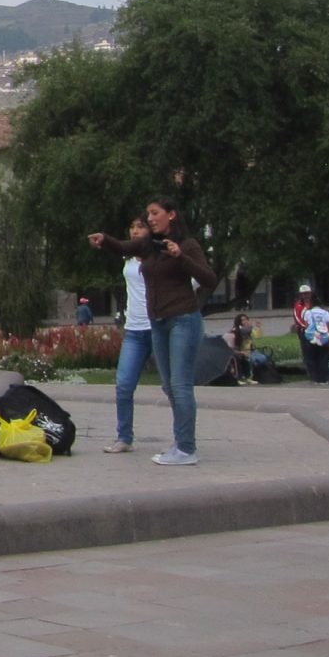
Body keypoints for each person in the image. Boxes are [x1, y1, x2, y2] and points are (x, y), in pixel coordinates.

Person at [91, 195, 216, 466]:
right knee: (169, 386)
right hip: (157, 322)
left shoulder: (187, 244)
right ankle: (179, 443)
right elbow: (123, 246)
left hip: (183, 320)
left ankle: (186, 448)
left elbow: (209, 278)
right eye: (148, 214)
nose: (150, 218)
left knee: (180, 385)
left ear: (171, 215)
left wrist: (181, 257)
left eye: (155, 213)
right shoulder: (149, 246)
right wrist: (105, 240)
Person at [98, 212, 153, 453]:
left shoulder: (159, 255)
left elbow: (191, 281)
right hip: (134, 328)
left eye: (140, 226)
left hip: (158, 326)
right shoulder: (128, 257)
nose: (135, 231)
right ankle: (124, 437)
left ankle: (182, 440)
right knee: (123, 385)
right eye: (132, 226)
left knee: (172, 386)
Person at [299, 286, 329, 383]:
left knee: (313, 357)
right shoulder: (325, 313)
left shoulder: (308, 313)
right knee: (324, 357)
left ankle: (316, 378)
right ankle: (324, 378)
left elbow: (306, 326)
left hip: (312, 338)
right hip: (323, 337)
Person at [227, 313, 258, 385]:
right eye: (243, 320)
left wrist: (246, 352)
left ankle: (247, 377)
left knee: (246, 358)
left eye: (246, 319)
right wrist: (241, 352)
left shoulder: (246, 333)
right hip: (232, 351)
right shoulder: (235, 332)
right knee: (236, 358)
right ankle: (238, 378)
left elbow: (256, 336)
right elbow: (232, 348)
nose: (245, 321)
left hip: (241, 351)